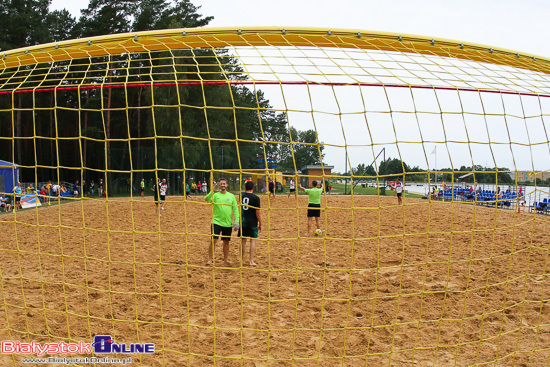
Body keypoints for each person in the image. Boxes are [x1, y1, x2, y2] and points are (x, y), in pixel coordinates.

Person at [205, 178, 240, 266]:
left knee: (226, 242)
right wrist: (212, 191)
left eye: (224, 184)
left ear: (227, 185)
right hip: (216, 222)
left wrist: (237, 221)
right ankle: (210, 259)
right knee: (214, 240)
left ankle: (226, 260)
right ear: (219, 185)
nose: (223, 185)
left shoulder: (231, 196)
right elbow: (206, 199)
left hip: (227, 223)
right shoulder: (215, 195)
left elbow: (235, 209)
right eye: (221, 184)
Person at [240, 180, 262, 266]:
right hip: (252, 221)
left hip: (243, 221)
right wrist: (261, 223)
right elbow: (258, 212)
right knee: (252, 240)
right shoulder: (256, 198)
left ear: (245, 187)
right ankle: (251, 261)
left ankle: (241, 260)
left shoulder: (241, 196)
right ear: (253, 188)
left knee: (243, 241)